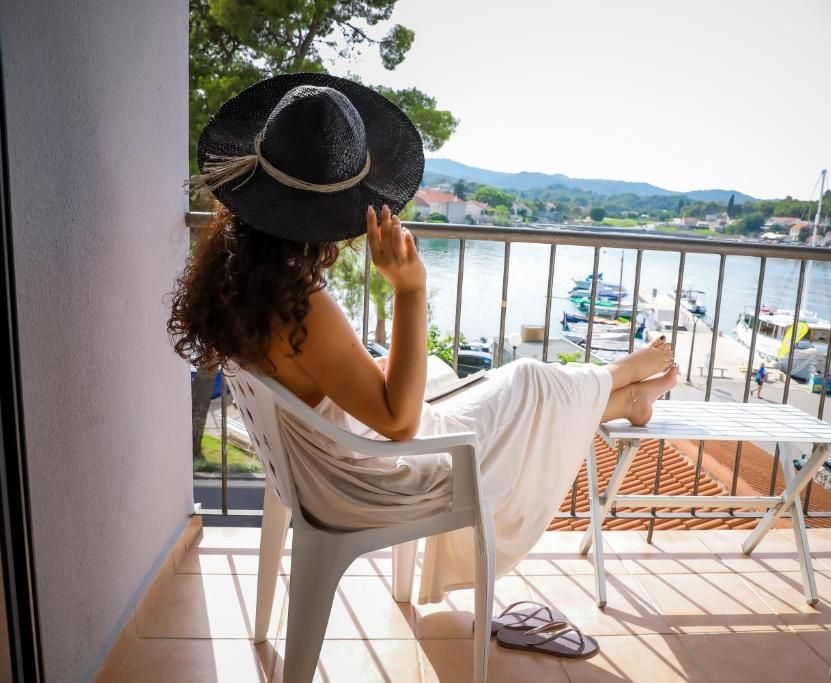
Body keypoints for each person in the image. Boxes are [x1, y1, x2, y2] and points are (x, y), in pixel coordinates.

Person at [168, 73, 678, 602]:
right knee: (531, 382)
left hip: (328, 466)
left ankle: (625, 396)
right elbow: (399, 422)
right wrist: (410, 289)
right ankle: (623, 378)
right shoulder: (301, 306)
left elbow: (333, 386)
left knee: (502, 387)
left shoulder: (243, 282)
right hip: (370, 475)